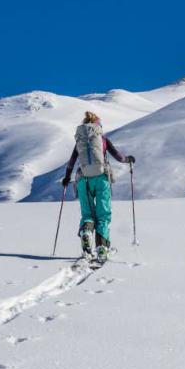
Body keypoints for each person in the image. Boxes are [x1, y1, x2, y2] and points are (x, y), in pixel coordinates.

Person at [62, 111, 135, 262]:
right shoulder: (103, 139)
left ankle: (86, 234)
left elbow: (70, 163)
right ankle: (102, 247)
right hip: (101, 179)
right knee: (103, 215)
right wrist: (129, 159)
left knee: (88, 214)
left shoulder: (80, 141)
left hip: (83, 181)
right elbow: (119, 157)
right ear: (98, 125)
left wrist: (67, 178)